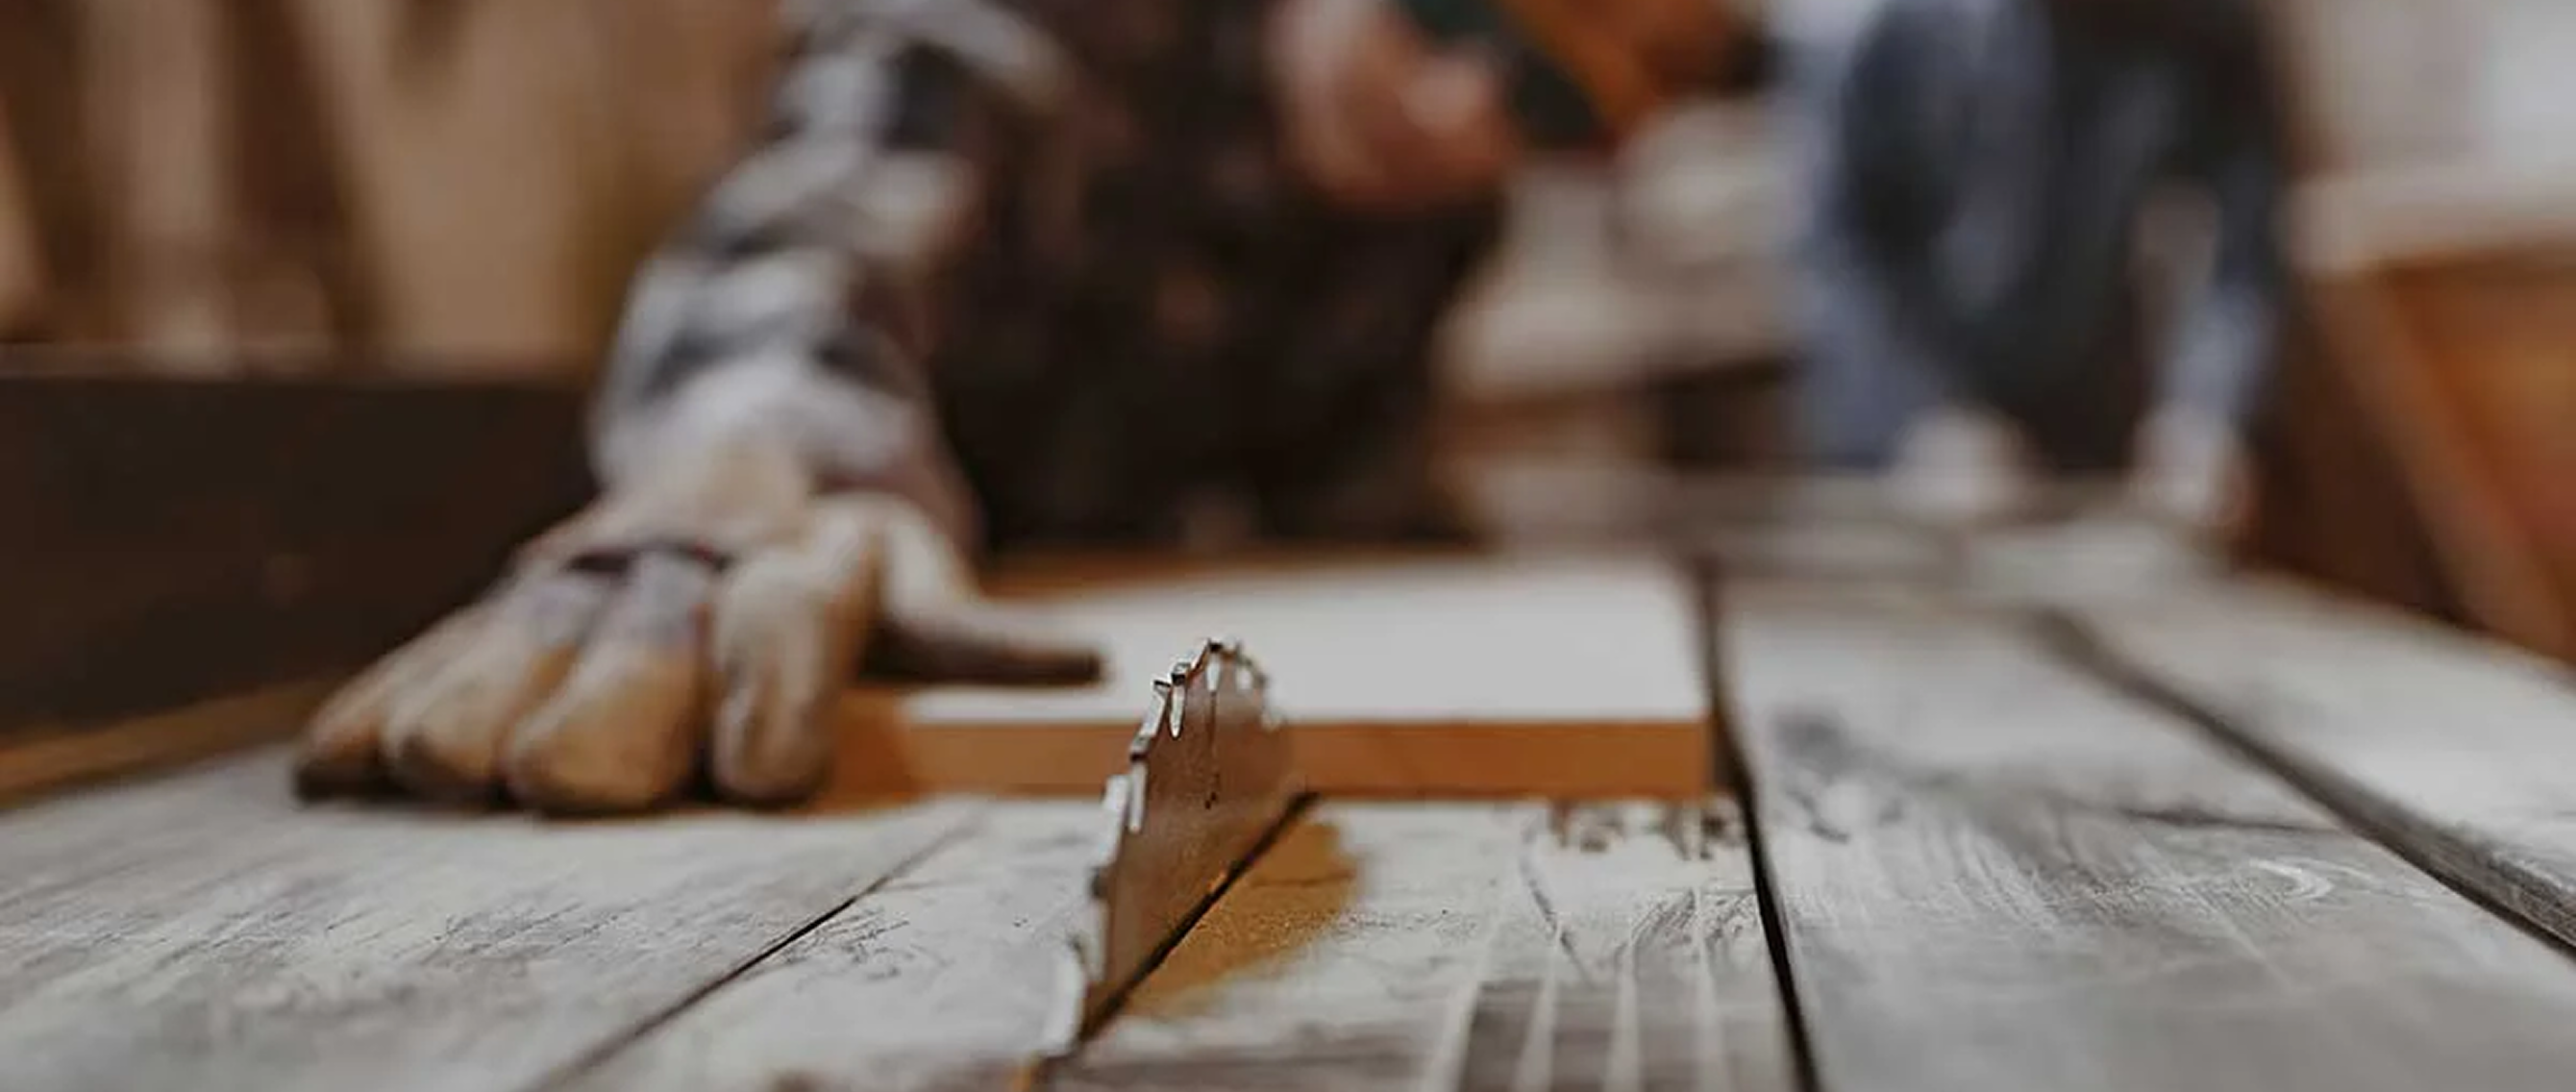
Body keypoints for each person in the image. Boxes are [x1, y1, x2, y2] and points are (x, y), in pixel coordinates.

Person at [291, 0, 1771, 813]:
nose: (1464, 112)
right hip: (833, 664)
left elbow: (1339, 510)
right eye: (1456, 16)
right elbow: (800, 264)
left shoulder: (1428, 221)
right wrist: (748, 473)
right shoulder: (1041, 31)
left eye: (1553, 109)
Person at [1786, 0, 2291, 531]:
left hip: (2081, 446)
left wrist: (2207, 416)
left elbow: (2242, 247)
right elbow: (1832, 256)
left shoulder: (2198, 28)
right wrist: (1921, 419)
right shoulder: (1862, 25)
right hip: (1889, 456)